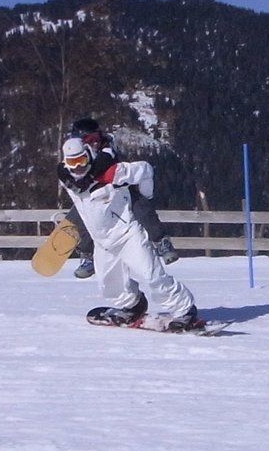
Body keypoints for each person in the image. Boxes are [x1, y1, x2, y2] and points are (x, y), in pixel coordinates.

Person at [57, 137, 202, 330]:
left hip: (128, 234)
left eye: (82, 160)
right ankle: (133, 305)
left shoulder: (112, 172)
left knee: (151, 275)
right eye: (73, 162)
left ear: (89, 155)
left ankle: (185, 310)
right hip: (103, 241)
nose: (78, 167)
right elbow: (68, 177)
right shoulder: (68, 180)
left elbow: (145, 170)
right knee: (109, 284)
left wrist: (146, 196)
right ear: (66, 163)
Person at [63, 118, 178, 279]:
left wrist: (88, 178)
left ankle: (161, 240)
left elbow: (105, 161)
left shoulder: (106, 147)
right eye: (89, 140)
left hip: (118, 187)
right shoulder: (75, 154)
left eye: (96, 137)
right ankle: (87, 254)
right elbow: (64, 170)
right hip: (93, 195)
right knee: (85, 217)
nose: (95, 142)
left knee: (141, 206)